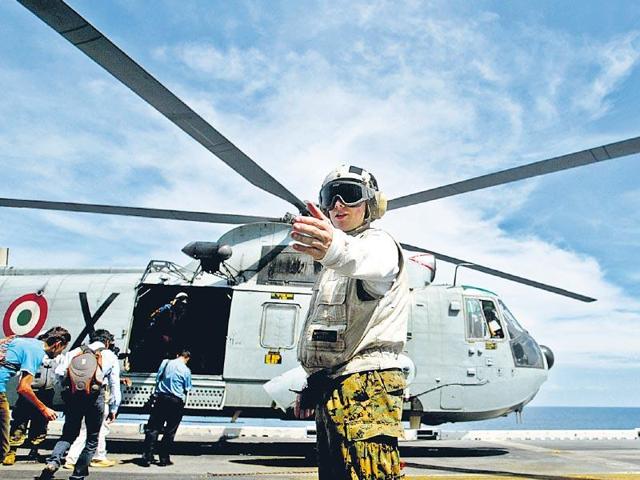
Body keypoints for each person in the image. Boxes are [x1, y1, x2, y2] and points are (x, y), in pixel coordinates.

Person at [292, 165, 410, 480]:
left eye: (350, 195)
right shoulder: (332, 266)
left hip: (367, 388)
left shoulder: (378, 243)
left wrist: (333, 248)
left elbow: (367, 259)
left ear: (370, 204)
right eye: (331, 197)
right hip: (334, 386)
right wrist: (314, 381)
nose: (338, 205)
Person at [39, 329, 121, 480]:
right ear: (107, 342)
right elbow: (114, 384)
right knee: (92, 438)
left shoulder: (76, 351)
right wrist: (114, 408)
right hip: (96, 398)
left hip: (74, 397)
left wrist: (65, 393)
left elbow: (59, 373)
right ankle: (78, 474)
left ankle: (53, 462)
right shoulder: (109, 355)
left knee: (68, 434)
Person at [0, 326, 71, 464]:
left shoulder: (21, 341)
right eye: (63, 348)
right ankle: (8, 453)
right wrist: (44, 408)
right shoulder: (36, 352)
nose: (60, 353)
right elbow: (23, 388)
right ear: (57, 344)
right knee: (3, 438)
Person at [3, 342, 58, 466]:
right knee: (19, 422)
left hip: (47, 393)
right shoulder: (33, 355)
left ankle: (34, 450)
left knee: (41, 423)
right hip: (29, 391)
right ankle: (11, 451)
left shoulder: (57, 357)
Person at [140, 350, 192, 467]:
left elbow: (158, 378)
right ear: (187, 358)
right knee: (170, 430)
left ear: (177, 355)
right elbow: (187, 387)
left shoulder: (166, 363)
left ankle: (147, 457)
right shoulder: (186, 370)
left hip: (161, 398)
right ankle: (164, 458)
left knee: (153, 428)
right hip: (176, 401)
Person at [147, 292, 189, 362]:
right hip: (158, 336)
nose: (182, 306)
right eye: (180, 303)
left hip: (169, 337)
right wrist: (161, 334)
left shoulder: (179, 313)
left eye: (183, 304)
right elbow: (153, 320)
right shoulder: (166, 309)